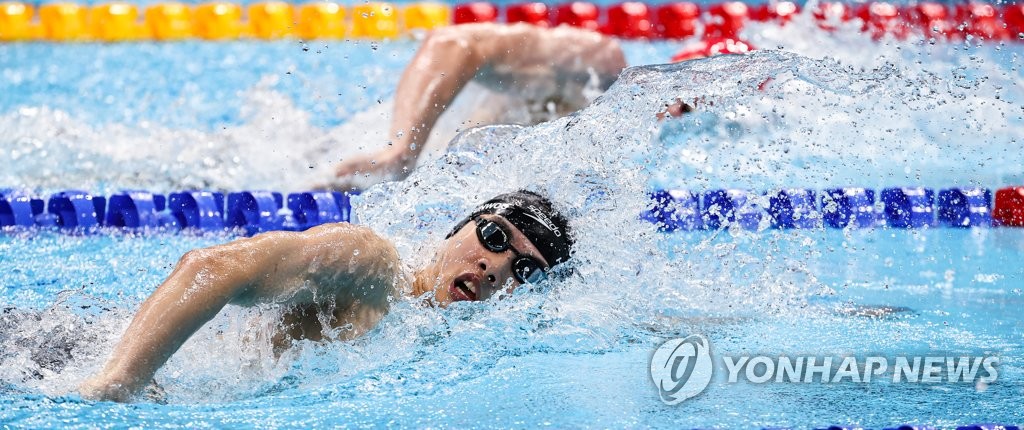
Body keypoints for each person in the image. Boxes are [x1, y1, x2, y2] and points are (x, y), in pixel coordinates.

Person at [78, 190, 573, 402]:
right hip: (61, 353)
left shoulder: (442, 337)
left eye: (525, 271)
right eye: (493, 237)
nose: (495, 268)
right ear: (457, 229)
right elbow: (212, 266)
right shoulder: (374, 265)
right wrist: (119, 381)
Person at [326, 23, 752, 190]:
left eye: (694, 115)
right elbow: (452, 43)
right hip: (372, 169)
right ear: (670, 75)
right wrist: (401, 150)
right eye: (685, 103)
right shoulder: (597, 61)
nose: (676, 115)